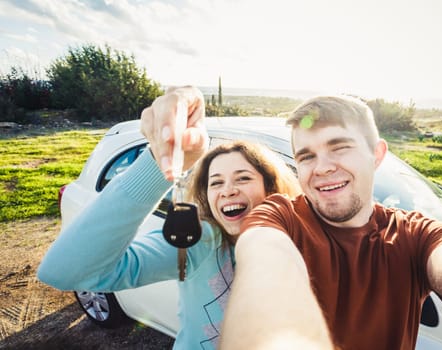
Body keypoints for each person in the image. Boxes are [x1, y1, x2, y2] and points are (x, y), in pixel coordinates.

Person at [218, 94, 442, 350]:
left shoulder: (415, 235)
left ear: (376, 155)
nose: (322, 168)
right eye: (306, 156)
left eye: (339, 147)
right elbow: (264, 262)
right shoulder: (279, 216)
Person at [37, 87, 329, 349]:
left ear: (270, 188)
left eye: (242, 178)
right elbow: (62, 272)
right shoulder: (199, 243)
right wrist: (158, 163)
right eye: (215, 182)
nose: (228, 190)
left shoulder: (309, 241)